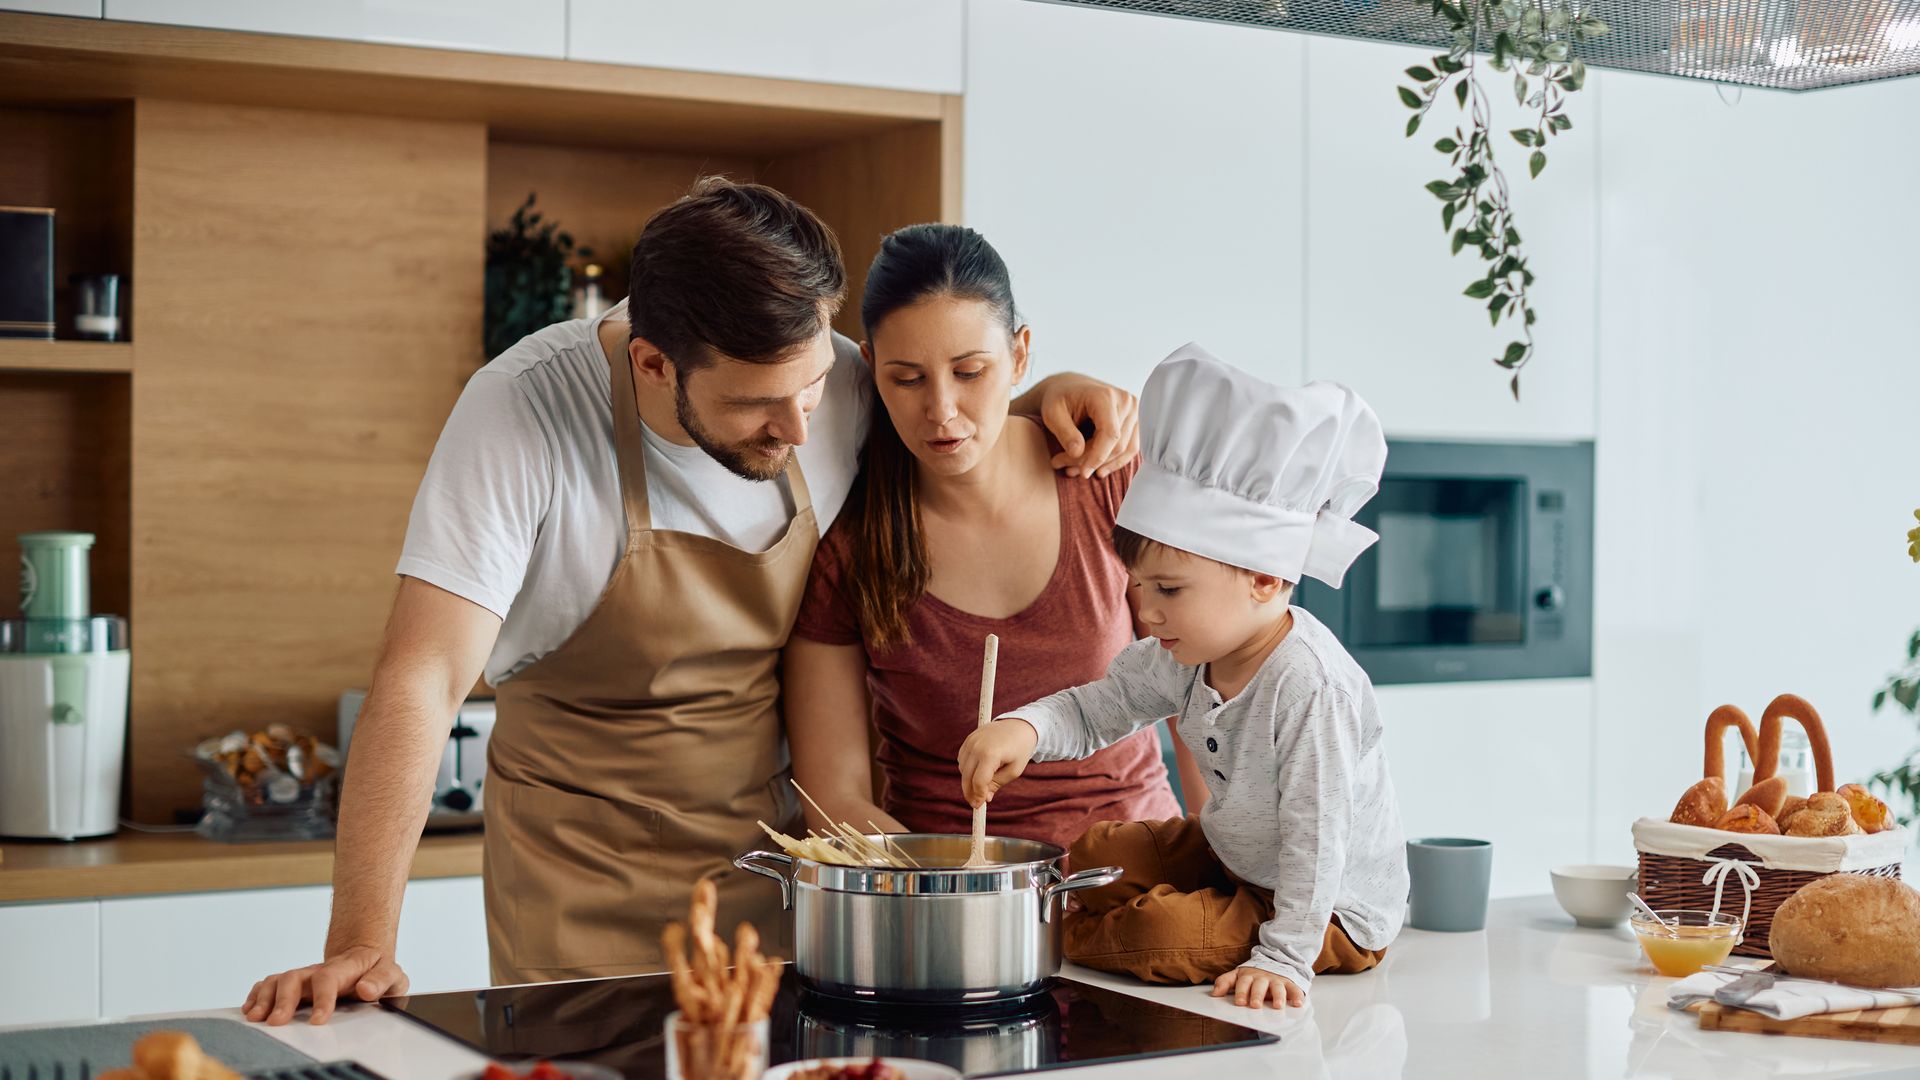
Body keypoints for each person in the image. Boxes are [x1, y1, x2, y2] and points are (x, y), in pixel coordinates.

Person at [242, 179, 1141, 1025]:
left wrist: (1048, 396)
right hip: (579, 887)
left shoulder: (832, 380)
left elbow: (950, 410)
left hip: (777, 872)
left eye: (816, 387)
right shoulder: (524, 414)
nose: (798, 430)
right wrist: (361, 941)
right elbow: (423, 677)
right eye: (756, 405)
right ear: (651, 362)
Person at [958, 345, 1409, 1010]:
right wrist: (1024, 730)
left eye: (1168, 588)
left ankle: (1076, 933)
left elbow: (1320, 837)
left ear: (1263, 577)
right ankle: (1137, 913)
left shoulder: (1311, 687)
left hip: (1328, 909)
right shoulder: (1187, 652)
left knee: (1151, 934)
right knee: (1091, 852)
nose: (1144, 610)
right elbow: (1100, 707)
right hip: (1239, 859)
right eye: (1138, 587)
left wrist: (1284, 958)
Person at [783, 224, 1202, 851]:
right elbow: (834, 796)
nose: (942, 409)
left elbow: (1201, 703)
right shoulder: (851, 550)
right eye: (907, 378)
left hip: (1140, 870)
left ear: (1020, 355)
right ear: (871, 369)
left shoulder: (1114, 485)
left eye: (970, 370)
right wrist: (948, 895)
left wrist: (1233, 869)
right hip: (951, 890)